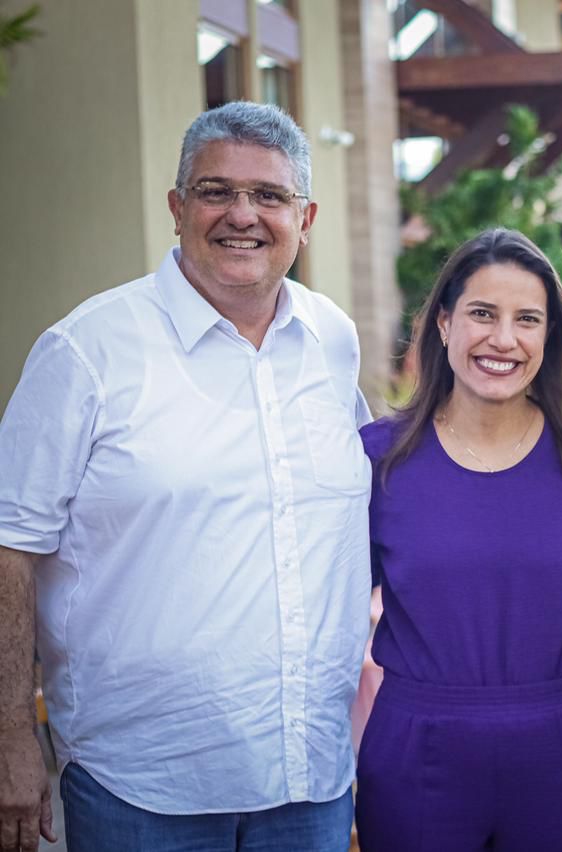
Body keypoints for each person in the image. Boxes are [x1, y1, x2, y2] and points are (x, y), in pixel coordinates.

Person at [0, 101, 371, 852]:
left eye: (269, 195)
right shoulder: (86, 351)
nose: (243, 215)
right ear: (176, 207)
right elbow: (10, 547)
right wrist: (9, 735)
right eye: (215, 191)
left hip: (310, 779)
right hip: (140, 788)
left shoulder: (331, 339)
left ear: (306, 219)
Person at [355, 228, 562, 852]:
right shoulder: (377, 459)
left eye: (526, 319)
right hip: (416, 753)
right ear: (444, 324)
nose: (503, 339)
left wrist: (551, 662)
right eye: (482, 313)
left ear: (549, 335)